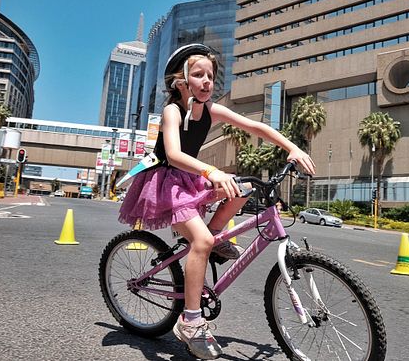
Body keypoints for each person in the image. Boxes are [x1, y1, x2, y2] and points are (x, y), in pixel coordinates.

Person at [118, 44, 316, 359]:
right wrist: (212, 171)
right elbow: (173, 154)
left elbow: (254, 126)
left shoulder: (211, 109)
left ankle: (214, 239)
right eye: (198, 75)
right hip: (166, 182)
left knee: (244, 189)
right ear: (180, 81)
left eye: (211, 75)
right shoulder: (173, 111)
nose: (207, 81)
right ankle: (191, 322)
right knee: (200, 241)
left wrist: (291, 146)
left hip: (191, 178)